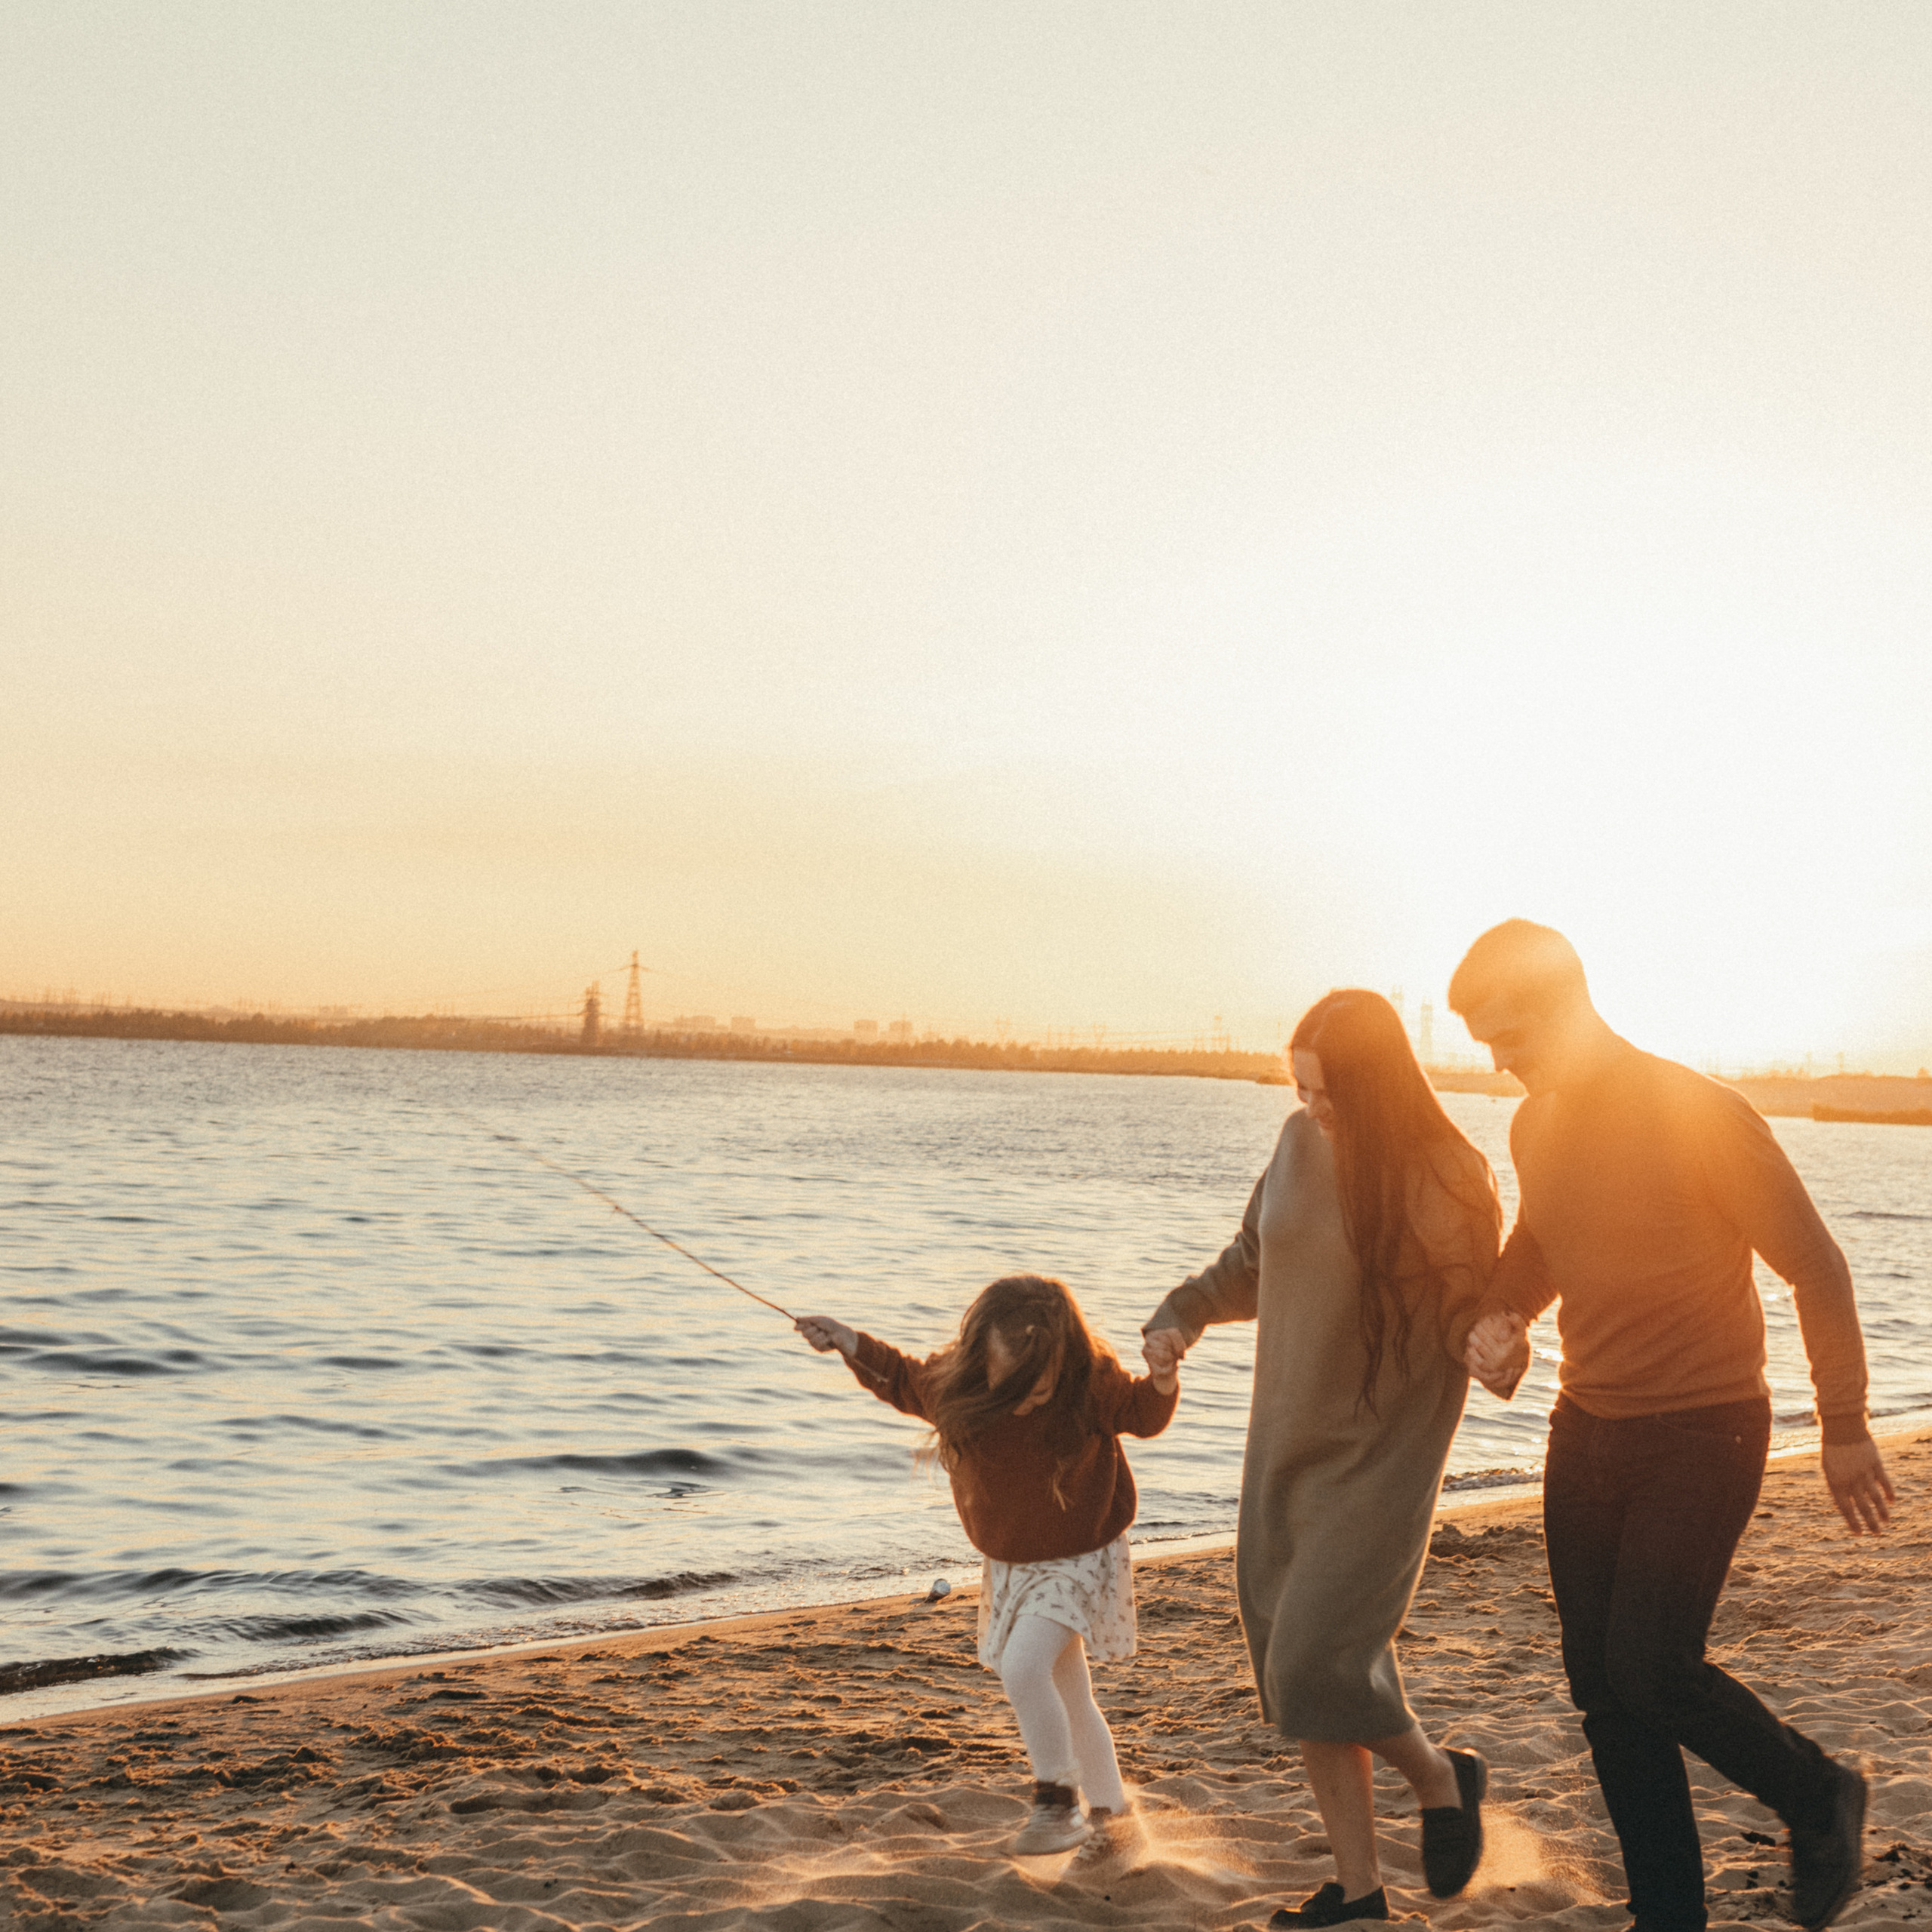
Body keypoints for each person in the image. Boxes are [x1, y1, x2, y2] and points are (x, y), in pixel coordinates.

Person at [1451, 918, 1894, 1932]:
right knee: (1603, 1690)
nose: (1498, 1059)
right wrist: (1504, 1314)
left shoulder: (1697, 1112)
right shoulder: (1534, 1125)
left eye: (1506, 1033)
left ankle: (1817, 1794)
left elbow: (1815, 1266)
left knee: (1652, 1664)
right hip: (1586, 1427)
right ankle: (1669, 1915)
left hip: (1707, 1430)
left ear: (1563, 1002)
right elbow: (1544, 1242)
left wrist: (1845, 1422)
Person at [1140, 989, 1507, 1927]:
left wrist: (1494, 1346)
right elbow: (1251, 1262)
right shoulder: (1297, 1145)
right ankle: (1359, 1893)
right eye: (1300, 1087)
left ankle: (1435, 1777)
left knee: (1311, 1661)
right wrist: (1181, 1313)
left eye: (1328, 1089)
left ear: (1376, 1081)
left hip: (1382, 1454)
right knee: (1300, 1679)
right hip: (1285, 1447)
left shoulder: (1448, 1174)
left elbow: (1473, 1310)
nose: (1313, 1105)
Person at [795, 1272, 1177, 1860]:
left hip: (1081, 1557)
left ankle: (1056, 1803)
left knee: (1024, 1669)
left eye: (1040, 1387)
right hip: (1015, 1566)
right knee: (1073, 1698)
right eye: (1013, 1383)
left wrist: (1163, 1377)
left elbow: (1142, 1414)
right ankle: (1114, 1824)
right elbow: (900, 1378)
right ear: (982, 1358)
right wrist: (848, 1341)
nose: (1028, 1396)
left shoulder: (1088, 1384)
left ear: (1064, 1362)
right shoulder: (959, 1389)